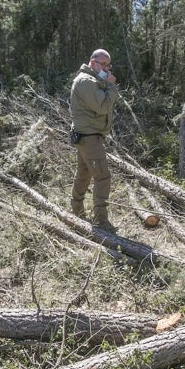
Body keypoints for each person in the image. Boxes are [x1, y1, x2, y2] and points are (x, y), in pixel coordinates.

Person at [69, 49, 118, 233]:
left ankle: (76, 210)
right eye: (102, 64)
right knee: (102, 177)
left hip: (87, 136)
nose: (106, 68)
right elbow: (103, 106)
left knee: (83, 174)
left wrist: (106, 83)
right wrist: (111, 86)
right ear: (92, 62)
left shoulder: (92, 80)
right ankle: (101, 221)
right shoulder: (86, 81)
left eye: (108, 65)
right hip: (89, 138)